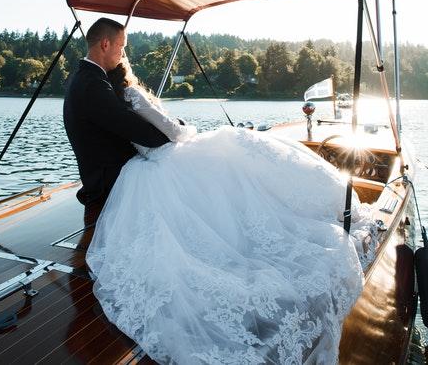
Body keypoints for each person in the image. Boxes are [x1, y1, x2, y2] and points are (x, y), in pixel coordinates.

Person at [86, 61, 376, 365]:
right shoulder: (132, 94)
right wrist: (190, 129)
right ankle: (319, 203)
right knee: (240, 147)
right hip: (170, 155)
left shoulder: (112, 103)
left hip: (145, 167)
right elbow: (171, 131)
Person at [63, 17, 170, 222]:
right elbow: (139, 132)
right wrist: (174, 134)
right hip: (109, 181)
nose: (122, 55)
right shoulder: (93, 84)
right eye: (121, 47)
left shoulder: (84, 77)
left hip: (103, 172)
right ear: (105, 44)